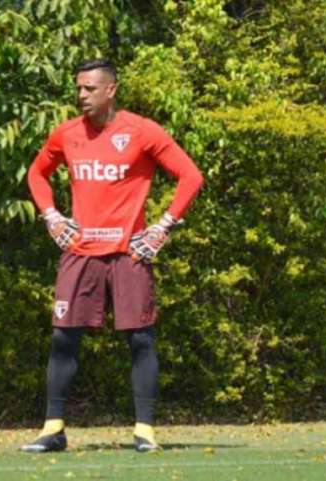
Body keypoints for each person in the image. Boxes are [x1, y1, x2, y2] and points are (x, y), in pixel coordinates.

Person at [21, 59, 204, 453]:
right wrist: (51, 216)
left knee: (141, 338)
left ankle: (144, 431)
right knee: (62, 338)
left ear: (111, 90)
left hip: (128, 253)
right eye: (79, 88)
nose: (81, 96)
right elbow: (36, 174)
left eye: (89, 88)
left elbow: (191, 176)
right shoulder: (66, 133)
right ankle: (53, 430)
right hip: (80, 252)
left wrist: (162, 227)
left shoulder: (141, 131)